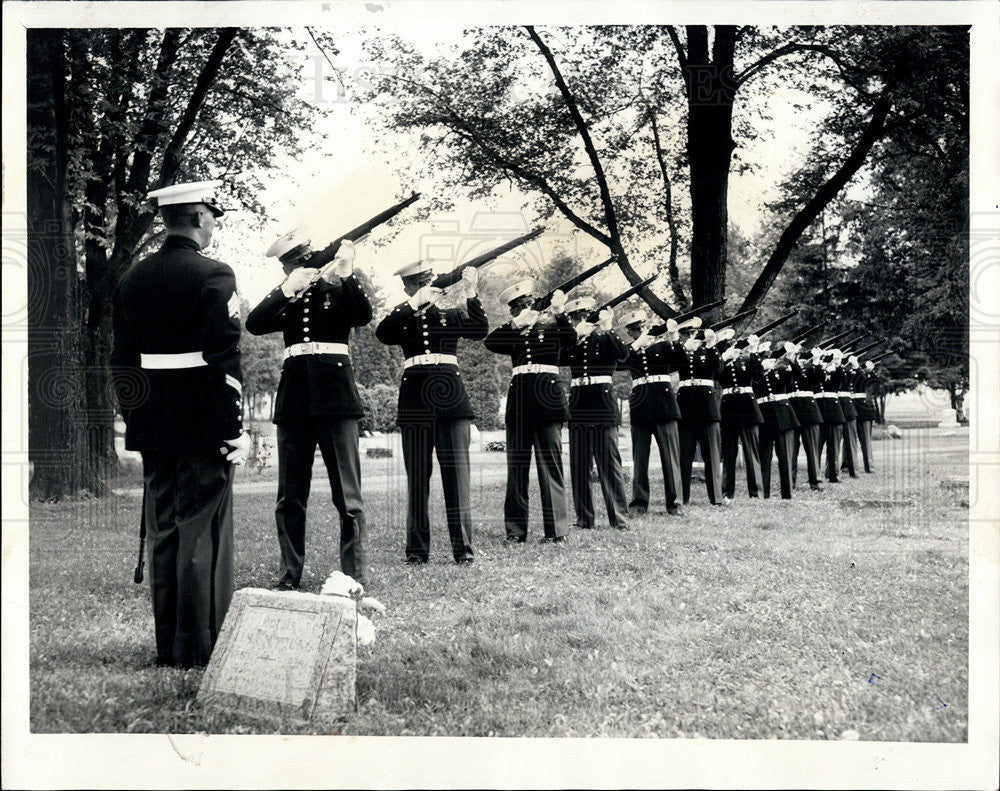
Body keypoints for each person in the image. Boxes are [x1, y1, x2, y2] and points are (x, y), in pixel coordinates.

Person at [111, 180, 249, 668]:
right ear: (197, 218)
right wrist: (233, 427)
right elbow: (223, 358)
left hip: (154, 422)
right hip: (203, 420)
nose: (213, 225)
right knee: (200, 528)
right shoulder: (215, 274)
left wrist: (136, 420)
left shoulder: (132, 278)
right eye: (212, 216)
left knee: (164, 529)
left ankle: (168, 646)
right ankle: (199, 646)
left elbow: (122, 361)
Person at [245, 232, 372, 590]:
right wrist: (286, 289)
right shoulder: (287, 295)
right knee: (289, 496)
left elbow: (363, 314)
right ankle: (289, 573)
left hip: (335, 398)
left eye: (302, 260)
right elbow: (254, 323)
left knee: (348, 496)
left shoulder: (336, 287)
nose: (297, 267)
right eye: (291, 265)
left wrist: (347, 273)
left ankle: (354, 576)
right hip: (295, 401)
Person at [376, 262, 487, 564]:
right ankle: (416, 550)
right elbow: (383, 333)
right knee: (417, 481)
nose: (426, 286)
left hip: (451, 402)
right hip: (415, 405)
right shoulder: (403, 316)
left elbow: (479, 330)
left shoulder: (450, 313)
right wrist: (413, 303)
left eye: (429, 280)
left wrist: (472, 292)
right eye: (419, 283)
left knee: (457, 480)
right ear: (408, 287)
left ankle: (463, 550)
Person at [484, 280, 575, 543]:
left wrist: (559, 312)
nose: (523, 309)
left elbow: (571, 340)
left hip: (548, 401)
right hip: (520, 405)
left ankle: (557, 530)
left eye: (526, 304)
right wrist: (517, 323)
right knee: (517, 470)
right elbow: (491, 343)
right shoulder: (513, 331)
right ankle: (515, 531)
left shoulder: (554, 324)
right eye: (517, 308)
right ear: (513, 311)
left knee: (551, 468)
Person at [561, 295, 630, 530]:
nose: (581, 319)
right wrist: (575, 336)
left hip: (602, 402)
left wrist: (608, 327)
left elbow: (623, 354)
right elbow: (558, 357)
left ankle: (619, 518)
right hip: (579, 403)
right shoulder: (572, 341)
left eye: (584, 315)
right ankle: (584, 518)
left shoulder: (605, 337)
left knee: (609, 464)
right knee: (579, 466)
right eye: (576, 317)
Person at [618, 309, 683, 516]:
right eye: (635, 330)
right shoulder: (630, 349)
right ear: (630, 332)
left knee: (670, 458)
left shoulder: (664, 346)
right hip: (641, 406)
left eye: (642, 327)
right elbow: (619, 362)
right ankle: (639, 503)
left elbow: (682, 362)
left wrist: (675, 338)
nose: (640, 331)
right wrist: (637, 344)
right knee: (640, 459)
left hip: (664, 404)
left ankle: (675, 503)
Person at [676, 323, 724, 505]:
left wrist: (712, 346)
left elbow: (719, 369)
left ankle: (716, 497)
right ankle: (682, 496)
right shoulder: (680, 352)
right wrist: (682, 348)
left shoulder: (707, 351)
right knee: (684, 456)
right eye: (686, 333)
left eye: (694, 333)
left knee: (711, 455)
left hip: (707, 408)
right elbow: (672, 365)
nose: (691, 336)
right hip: (686, 407)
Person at [718, 332, 764, 500]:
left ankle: (756, 492)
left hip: (747, 408)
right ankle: (726, 492)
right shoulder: (722, 361)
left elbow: (758, 375)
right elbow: (717, 375)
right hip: (729, 408)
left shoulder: (748, 360)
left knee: (752, 452)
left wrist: (754, 351)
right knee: (729, 453)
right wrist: (725, 358)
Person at [751, 345, 799, 500]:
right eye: (766, 358)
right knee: (764, 457)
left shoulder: (782, 371)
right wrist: (760, 368)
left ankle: (787, 493)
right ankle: (763, 493)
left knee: (785, 457)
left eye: (771, 359)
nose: (769, 361)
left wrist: (793, 360)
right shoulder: (756, 375)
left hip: (783, 416)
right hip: (765, 416)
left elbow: (796, 378)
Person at [785, 341, 825, 491]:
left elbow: (820, 379)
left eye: (799, 355)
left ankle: (815, 482)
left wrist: (817, 362)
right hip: (792, 413)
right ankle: (789, 482)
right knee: (791, 451)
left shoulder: (809, 371)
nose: (798, 357)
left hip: (809, 412)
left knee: (812, 450)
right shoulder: (785, 371)